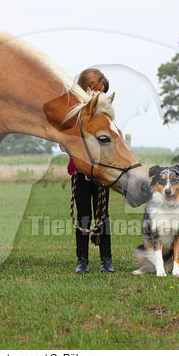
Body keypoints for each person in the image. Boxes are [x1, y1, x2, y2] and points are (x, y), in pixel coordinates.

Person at [69, 68, 114, 273]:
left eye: (100, 92)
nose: (97, 95)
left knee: (103, 216)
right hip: (80, 172)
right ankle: (82, 260)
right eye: (93, 90)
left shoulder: (105, 114)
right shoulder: (74, 112)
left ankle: (106, 260)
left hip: (102, 171)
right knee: (83, 216)